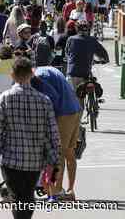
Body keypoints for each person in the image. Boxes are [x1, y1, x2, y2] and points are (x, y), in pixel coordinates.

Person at [0, 58, 60, 219]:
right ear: (31, 74)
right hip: (35, 160)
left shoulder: (3, 98)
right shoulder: (44, 101)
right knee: (28, 195)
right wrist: (53, 159)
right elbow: (53, 133)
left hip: (10, 160)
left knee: (16, 196)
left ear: (12, 75)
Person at [32, 66, 81, 201]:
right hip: (75, 109)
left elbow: (51, 98)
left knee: (58, 153)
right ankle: (70, 190)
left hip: (63, 113)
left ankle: (56, 191)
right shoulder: (44, 70)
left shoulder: (39, 78)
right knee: (69, 153)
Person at [65, 20, 109, 93]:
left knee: (72, 95)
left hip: (72, 72)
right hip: (85, 73)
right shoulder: (92, 40)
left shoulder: (71, 39)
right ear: (88, 29)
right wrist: (105, 60)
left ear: (77, 29)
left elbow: (67, 53)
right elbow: (103, 52)